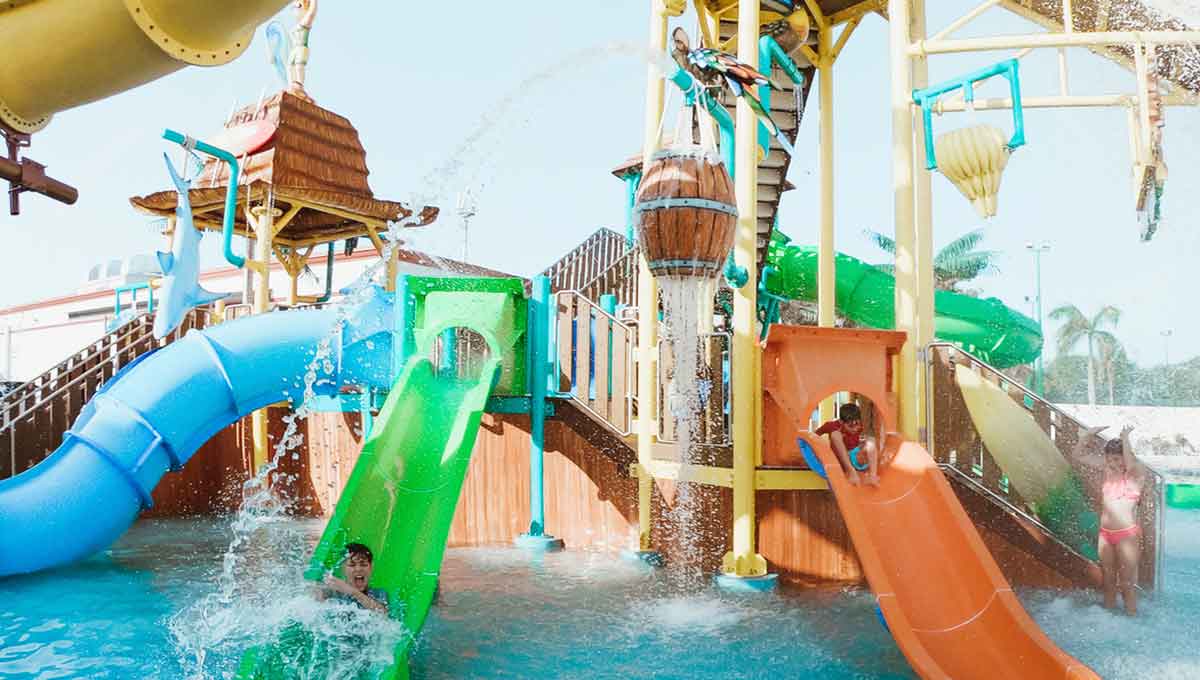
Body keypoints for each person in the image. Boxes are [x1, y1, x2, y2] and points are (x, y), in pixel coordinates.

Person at [1073, 424, 1146, 615]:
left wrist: (1125, 438)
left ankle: (1132, 619)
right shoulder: (1107, 470)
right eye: (1110, 459)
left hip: (1126, 535)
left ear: (1126, 456)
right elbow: (1078, 456)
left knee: (1127, 584)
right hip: (1105, 535)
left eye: (1117, 458)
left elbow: (1129, 465)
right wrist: (1087, 436)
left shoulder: (1136, 473)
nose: (1114, 463)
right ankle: (1109, 619)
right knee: (1108, 581)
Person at [815, 403, 882, 486]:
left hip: (856, 460)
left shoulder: (860, 426)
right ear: (841, 422)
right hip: (839, 461)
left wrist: (864, 445)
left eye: (857, 424)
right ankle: (851, 472)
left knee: (871, 440)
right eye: (850, 426)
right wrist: (820, 451)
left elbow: (862, 445)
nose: (855, 429)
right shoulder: (832, 426)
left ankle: (873, 476)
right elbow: (814, 435)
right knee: (835, 434)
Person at [314, 543, 389, 615]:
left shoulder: (378, 594)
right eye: (352, 565)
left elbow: (383, 615)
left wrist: (353, 592)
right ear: (343, 568)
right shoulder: (332, 593)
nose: (358, 569)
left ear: (371, 567)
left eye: (363, 564)